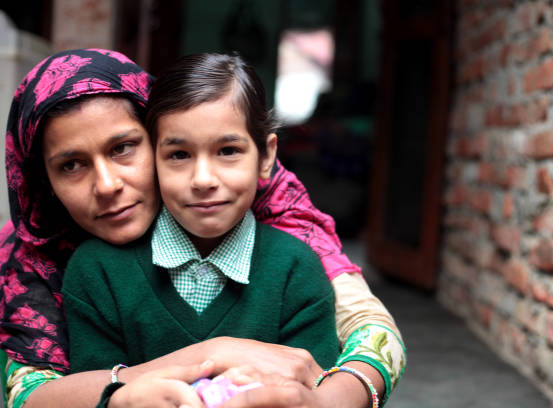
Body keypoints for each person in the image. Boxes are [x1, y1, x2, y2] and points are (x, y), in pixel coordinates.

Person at [0, 49, 405, 408]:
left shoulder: (294, 253)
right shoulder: (41, 269)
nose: (107, 186)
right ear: (42, 184)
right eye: (70, 164)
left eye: (123, 147)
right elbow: (31, 394)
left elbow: (369, 332)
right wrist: (211, 355)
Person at [62, 53, 339, 398]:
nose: (203, 179)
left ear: (266, 156)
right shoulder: (98, 272)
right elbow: (92, 392)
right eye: (179, 155)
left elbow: (316, 393)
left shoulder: (296, 271)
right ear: (152, 159)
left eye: (227, 150)